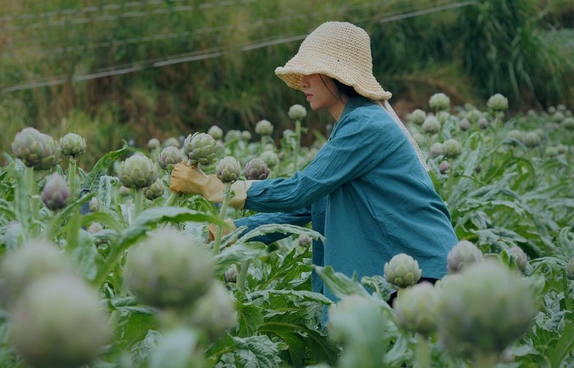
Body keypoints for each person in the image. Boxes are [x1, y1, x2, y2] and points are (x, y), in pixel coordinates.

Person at [170, 21, 457, 320]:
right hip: (404, 269)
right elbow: (308, 206)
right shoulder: (351, 125)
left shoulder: (366, 125)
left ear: (336, 74)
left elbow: (300, 189)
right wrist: (237, 230)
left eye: (311, 71)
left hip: (421, 269)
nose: (303, 81)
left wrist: (212, 187)